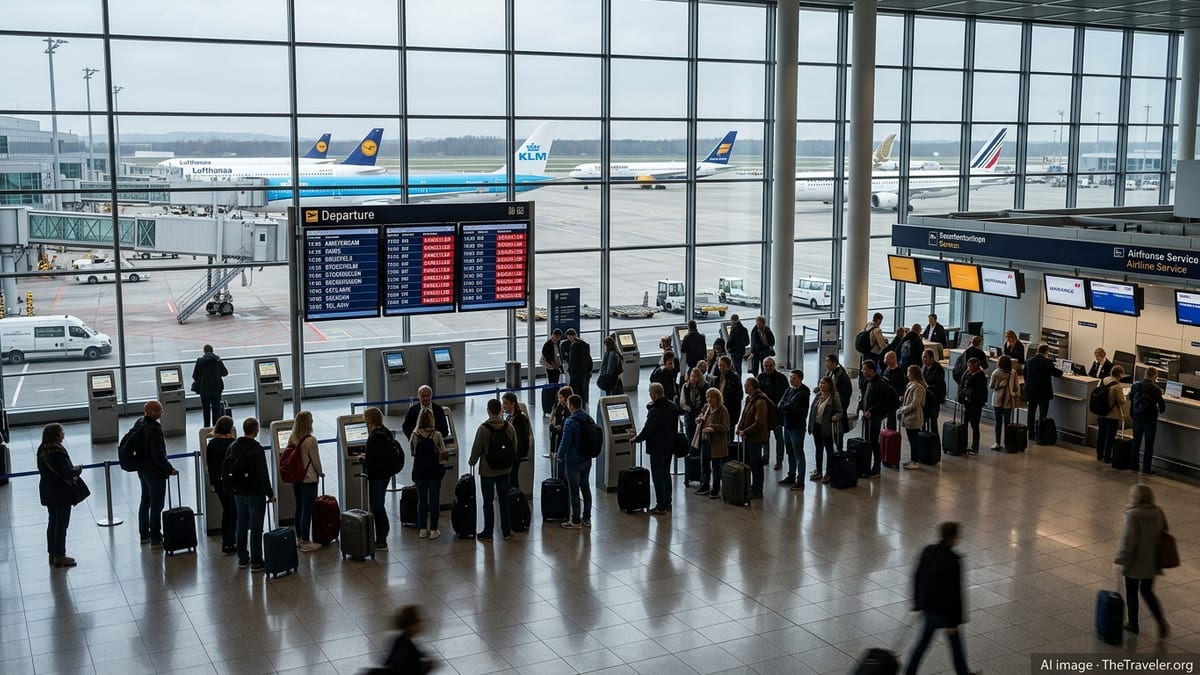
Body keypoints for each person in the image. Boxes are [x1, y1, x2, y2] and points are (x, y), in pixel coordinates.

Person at [906, 522, 977, 675]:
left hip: (928, 608)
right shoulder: (953, 561)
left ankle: (910, 671)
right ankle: (963, 672)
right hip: (944, 612)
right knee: (955, 642)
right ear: (953, 539)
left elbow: (917, 577)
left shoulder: (928, 551)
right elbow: (954, 593)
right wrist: (954, 620)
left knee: (923, 643)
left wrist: (918, 603)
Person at [1114, 484, 1170, 638]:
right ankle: (1160, 621)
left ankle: (1133, 623)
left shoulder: (1132, 514)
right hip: (1152, 561)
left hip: (1135, 561)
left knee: (1131, 591)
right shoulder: (1158, 511)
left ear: (1135, 497)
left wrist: (1120, 558)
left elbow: (1128, 541)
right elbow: (1165, 530)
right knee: (1147, 591)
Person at [228, 417, 276, 572]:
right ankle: (256, 562)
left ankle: (242, 558)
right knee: (256, 528)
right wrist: (270, 494)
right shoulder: (256, 449)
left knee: (241, 524)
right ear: (256, 430)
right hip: (255, 494)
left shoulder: (233, 446)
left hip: (238, 492)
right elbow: (263, 474)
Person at [468, 399, 517, 541]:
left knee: (488, 502)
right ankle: (506, 531)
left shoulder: (483, 428)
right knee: (504, 500)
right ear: (500, 410)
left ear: (488, 411)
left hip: (487, 471)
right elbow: (514, 446)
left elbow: (476, 449)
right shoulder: (509, 427)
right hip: (505, 470)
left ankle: (488, 532)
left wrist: (472, 461)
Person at [134, 401, 176, 549]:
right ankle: (156, 538)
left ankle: (144, 533)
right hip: (155, 473)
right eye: (160, 410)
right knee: (157, 505)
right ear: (152, 412)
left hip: (142, 469)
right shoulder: (154, 430)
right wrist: (169, 469)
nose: (161, 413)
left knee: (145, 501)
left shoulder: (139, 423)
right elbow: (158, 455)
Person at [633, 382, 679, 514]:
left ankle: (660, 505)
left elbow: (648, 430)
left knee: (658, 476)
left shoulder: (655, 412)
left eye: (650, 393)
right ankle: (668, 502)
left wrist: (636, 439)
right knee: (666, 474)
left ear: (654, 394)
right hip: (670, 446)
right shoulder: (672, 407)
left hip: (657, 448)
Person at [38, 423, 80, 568]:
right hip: (60, 492)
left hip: (47, 490)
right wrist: (77, 470)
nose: (64, 434)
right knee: (62, 524)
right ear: (56, 434)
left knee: (53, 522)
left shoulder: (42, 449)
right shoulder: (57, 451)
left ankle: (52, 553)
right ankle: (60, 556)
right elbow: (66, 472)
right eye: (62, 432)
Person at [287, 411, 323, 552]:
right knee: (307, 510)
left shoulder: (293, 438)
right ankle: (306, 542)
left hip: (297, 478)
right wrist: (320, 473)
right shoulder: (310, 440)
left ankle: (299, 538)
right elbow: (315, 461)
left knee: (299, 507)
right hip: (309, 479)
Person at [555, 394, 593, 529]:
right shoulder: (588, 418)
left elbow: (565, 443)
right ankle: (587, 518)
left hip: (573, 461)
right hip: (586, 459)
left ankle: (575, 520)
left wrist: (559, 456)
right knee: (585, 487)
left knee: (574, 491)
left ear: (571, 406)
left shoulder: (570, 422)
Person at [410, 408, 448, 540]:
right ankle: (433, 529)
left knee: (421, 500)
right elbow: (443, 452)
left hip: (420, 471)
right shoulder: (436, 435)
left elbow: (413, 452)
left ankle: (422, 529)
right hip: (434, 472)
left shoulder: (415, 435)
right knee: (434, 501)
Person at [363, 406, 397, 550]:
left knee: (377, 506)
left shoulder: (373, 438)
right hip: (386, 474)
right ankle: (383, 533)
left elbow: (371, 461)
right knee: (380, 504)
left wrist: (362, 460)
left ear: (371, 421)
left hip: (376, 476)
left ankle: (381, 538)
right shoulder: (386, 432)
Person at [204, 416, 238, 555]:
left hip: (219, 483)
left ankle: (227, 541)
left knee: (227, 511)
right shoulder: (232, 443)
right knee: (233, 511)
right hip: (232, 482)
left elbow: (211, 465)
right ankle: (231, 541)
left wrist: (213, 483)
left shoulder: (211, 443)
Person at [736, 376, 770, 498]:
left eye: (748, 386)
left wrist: (745, 431)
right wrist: (739, 427)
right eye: (745, 385)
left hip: (756, 438)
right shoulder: (748, 399)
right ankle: (752, 486)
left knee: (756, 464)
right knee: (749, 463)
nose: (745, 388)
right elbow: (744, 415)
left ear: (755, 387)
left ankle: (758, 488)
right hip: (748, 437)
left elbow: (759, 422)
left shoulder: (760, 402)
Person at [857, 361, 893, 476]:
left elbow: (883, 401)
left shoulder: (880, 383)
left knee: (873, 441)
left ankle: (876, 467)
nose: (863, 372)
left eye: (865, 369)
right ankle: (866, 465)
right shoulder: (866, 382)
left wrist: (871, 410)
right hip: (868, 415)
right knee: (868, 441)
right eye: (862, 370)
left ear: (872, 370)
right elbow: (864, 396)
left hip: (876, 416)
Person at [1130, 367, 1166, 475]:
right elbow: (1162, 407)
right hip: (1149, 420)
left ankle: (1134, 467)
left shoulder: (1135, 385)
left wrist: (1133, 414)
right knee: (1149, 445)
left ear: (1145, 374)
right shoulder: (1155, 389)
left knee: (1135, 443)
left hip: (1137, 418)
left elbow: (1132, 400)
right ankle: (1146, 469)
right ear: (1155, 376)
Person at [694, 387, 730, 498]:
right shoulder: (706, 408)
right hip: (705, 440)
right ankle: (704, 485)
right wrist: (699, 419)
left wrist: (712, 428)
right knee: (704, 464)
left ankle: (715, 488)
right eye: (707, 397)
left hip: (716, 443)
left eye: (712, 398)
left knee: (716, 466)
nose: (709, 400)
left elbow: (726, 427)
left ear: (717, 398)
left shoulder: (723, 410)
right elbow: (702, 417)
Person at [777, 369, 810, 490]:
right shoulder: (789, 390)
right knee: (790, 452)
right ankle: (791, 475)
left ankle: (800, 481)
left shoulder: (804, 392)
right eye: (790, 377)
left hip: (797, 427)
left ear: (800, 379)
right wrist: (785, 407)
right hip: (787, 426)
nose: (791, 380)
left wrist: (785, 407)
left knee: (798, 454)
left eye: (794, 378)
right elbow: (780, 404)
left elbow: (792, 406)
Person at [379, 605, 436, 673]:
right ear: (409, 626)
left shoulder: (398, 639)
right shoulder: (409, 646)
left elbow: (387, 662)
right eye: (417, 622)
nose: (420, 625)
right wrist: (427, 667)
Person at [1023, 344, 1063, 442]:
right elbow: (1056, 373)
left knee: (1031, 412)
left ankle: (1031, 434)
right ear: (1046, 352)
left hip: (1031, 391)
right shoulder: (1047, 362)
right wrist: (1062, 372)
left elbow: (1025, 375)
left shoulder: (1028, 361)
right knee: (1043, 414)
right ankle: (1040, 434)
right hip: (1043, 393)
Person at [809, 376, 842, 484]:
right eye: (820, 383)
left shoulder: (834, 397)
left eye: (823, 383)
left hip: (827, 428)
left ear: (829, 385)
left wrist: (836, 416)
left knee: (829, 450)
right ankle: (818, 470)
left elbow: (839, 411)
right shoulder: (818, 396)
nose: (821, 385)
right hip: (817, 426)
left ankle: (828, 472)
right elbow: (813, 410)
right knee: (818, 449)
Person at [758, 357, 788, 470]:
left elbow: (786, 395)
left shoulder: (781, 378)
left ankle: (779, 460)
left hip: (777, 414)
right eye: (766, 366)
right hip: (764, 413)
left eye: (770, 366)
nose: (768, 368)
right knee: (765, 437)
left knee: (779, 438)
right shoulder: (760, 377)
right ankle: (765, 457)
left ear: (774, 365)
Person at [1096, 364, 1129, 464]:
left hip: (1101, 412)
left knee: (1101, 434)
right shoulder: (1117, 386)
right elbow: (1121, 401)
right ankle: (1107, 456)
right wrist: (1126, 397)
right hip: (1112, 414)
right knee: (1110, 436)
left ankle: (1099, 454)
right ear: (1119, 374)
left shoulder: (1103, 380)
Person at [501, 392, 533, 491]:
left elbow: (522, 439)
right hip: (510, 454)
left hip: (514, 456)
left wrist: (517, 455)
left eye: (506, 403)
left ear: (513, 404)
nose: (503, 406)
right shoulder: (509, 418)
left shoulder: (520, 419)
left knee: (513, 481)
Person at [191, 344, 229, 427]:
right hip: (217, 389)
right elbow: (225, 373)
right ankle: (216, 429)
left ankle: (206, 429)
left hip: (204, 390)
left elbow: (194, 376)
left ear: (204, 351)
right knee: (216, 411)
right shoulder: (217, 360)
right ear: (212, 351)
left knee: (206, 411)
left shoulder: (200, 361)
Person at [898, 366, 928, 470]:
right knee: (911, 440)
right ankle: (912, 459)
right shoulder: (910, 385)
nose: (907, 375)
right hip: (909, 417)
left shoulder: (918, 387)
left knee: (914, 440)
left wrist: (902, 410)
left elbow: (915, 403)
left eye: (909, 373)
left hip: (914, 417)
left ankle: (915, 461)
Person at [988, 355, 1019, 450]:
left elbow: (991, 386)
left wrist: (998, 383)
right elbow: (1016, 386)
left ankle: (997, 442)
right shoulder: (1013, 372)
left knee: (998, 422)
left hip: (997, 399)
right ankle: (1007, 443)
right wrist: (1015, 394)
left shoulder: (996, 373)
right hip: (1008, 400)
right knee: (1007, 423)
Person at [958, 358, 988, 454]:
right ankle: (963, 444)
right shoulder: (968, 374)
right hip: (967, 403)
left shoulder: (981, 377)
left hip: (975, 404)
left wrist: (968, 393)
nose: (969, 368)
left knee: (975, 425)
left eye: (970, 366)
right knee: (965, 424)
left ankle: (975, 446)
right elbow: (962, 384)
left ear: (976, 365)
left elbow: (979, 392)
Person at [824, 354, 853, 451]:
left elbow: (845, 394)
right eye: (826, 361)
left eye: (828, 361)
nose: (826, 364)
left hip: (837, 410)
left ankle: (839, 455)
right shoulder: (830, 373)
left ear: (834, 363)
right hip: (830, 409)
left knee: (838, 436)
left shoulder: (841, 376)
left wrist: (840, 410)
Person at [715, 355, 742, 441]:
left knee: (729, 434)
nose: (721, 368)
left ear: (729, 366)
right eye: (719, 365)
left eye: (723, 366)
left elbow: (738, 397)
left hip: (730, 410)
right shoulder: (718, 378)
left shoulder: (734, 379)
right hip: (719, 409)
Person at [678, 367, 706, 448]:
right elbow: (682, 403)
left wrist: (700, 412)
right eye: (692, 376)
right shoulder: (685, 386)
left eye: (695, 376)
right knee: (690, 437)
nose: (693, 378)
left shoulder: (703, 387)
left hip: (701, 415)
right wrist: (691, 410)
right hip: (689, 416)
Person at [921, 348, 947, 433]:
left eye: (925, 357)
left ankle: (935, 443)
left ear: (931, 358)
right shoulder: (924, 367)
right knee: (923, 421)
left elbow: (938, 385)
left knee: (933, 423)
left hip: (934, 399)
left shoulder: (938, 369)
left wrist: (927, 386)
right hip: (925, 399)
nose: (923, 359)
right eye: (922, 357)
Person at [880, 351, 907, 432]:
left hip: (895, 399)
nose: (884, 360)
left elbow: (902, 386)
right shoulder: (887, 369)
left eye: (887, 359)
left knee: (892, 418)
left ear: (893, 359)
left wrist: (901, 395)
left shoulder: (900, 372)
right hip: (886, 397)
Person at [565, 329, 593, 403]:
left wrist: (570, 370)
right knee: (583, 388)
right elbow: (588, 358)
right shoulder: (585, 343)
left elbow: (572, 360)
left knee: (574, 388)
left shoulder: (574, 345)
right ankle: (583, 402)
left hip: (576, 371)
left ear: (571, 336)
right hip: (584, 370)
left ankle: (575, 402)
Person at [547, 386, 574, 461]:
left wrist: (557, 427)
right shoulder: (559, 406)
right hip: (555, 437)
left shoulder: (570, 410)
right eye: (559, 398)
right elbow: (554, 417)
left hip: (563, 440)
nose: (560, 400)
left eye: (561, 397)